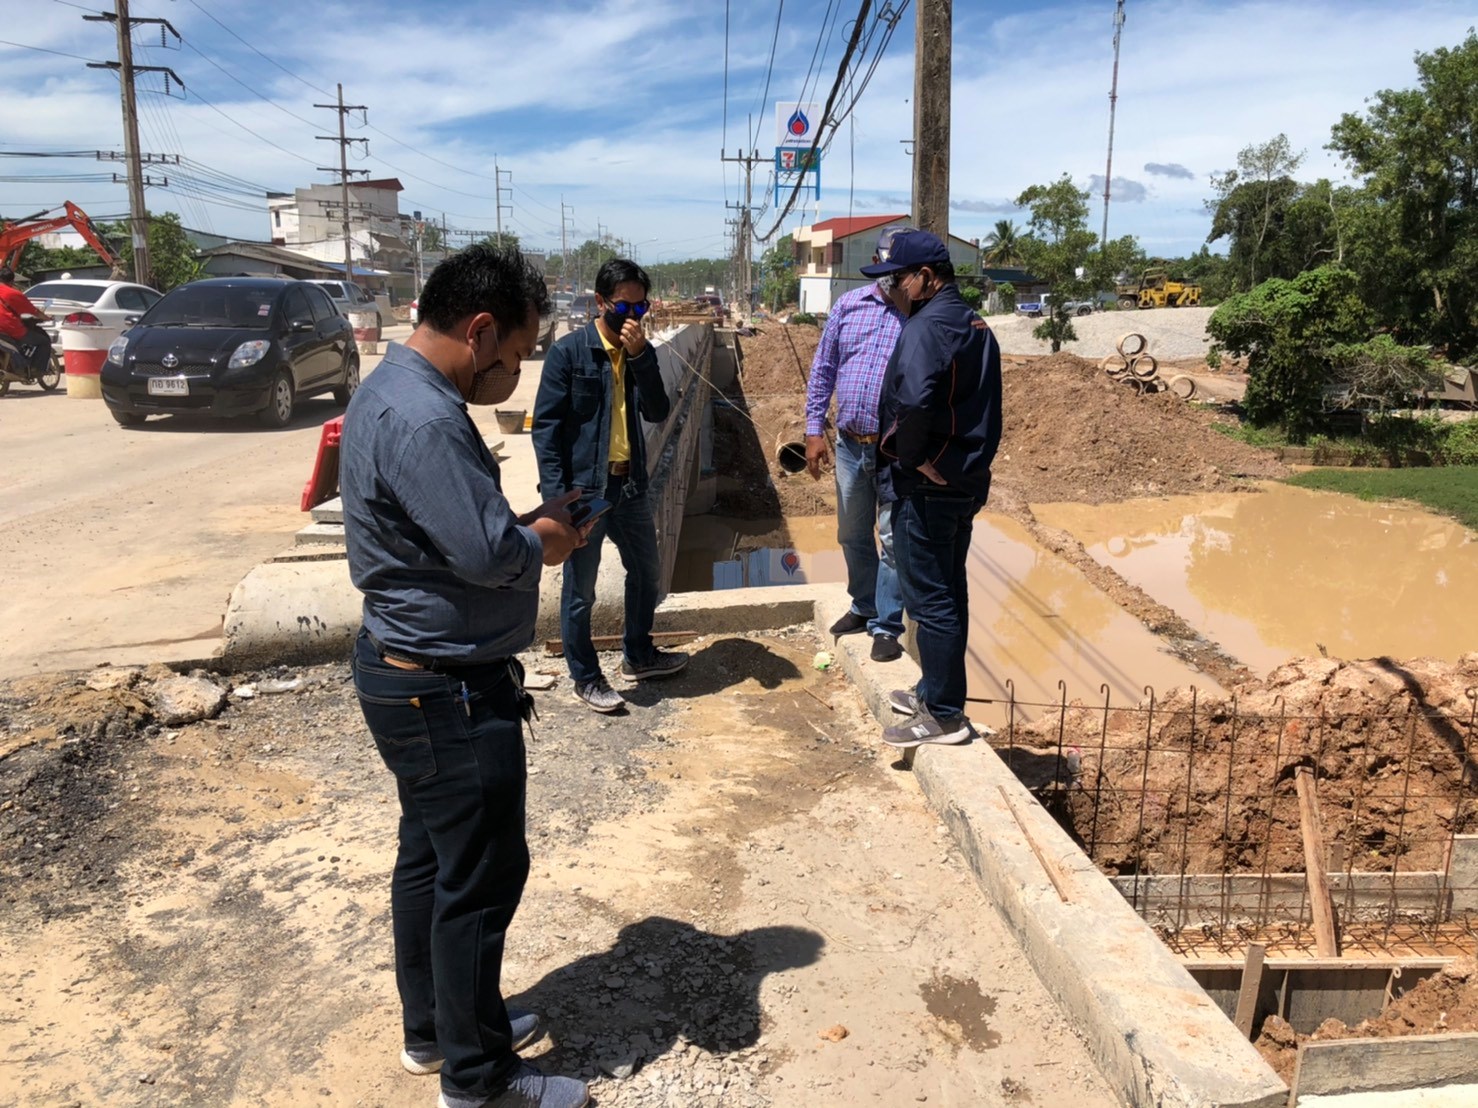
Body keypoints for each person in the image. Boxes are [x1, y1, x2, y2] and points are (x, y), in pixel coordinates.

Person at [340, 242, 591, 1108]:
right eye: (515, 354)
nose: (514, 374)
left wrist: (521, 523)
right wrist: (544, 540)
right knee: (481, 877)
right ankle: (479, 1081)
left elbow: (448, 535)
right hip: (443, 690)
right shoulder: (428, 419)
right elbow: (488, 555)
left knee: (432, 858)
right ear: (480, 331)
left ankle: (436, 1031)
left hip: (408, 672)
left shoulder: (393, 390)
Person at [860, 230, 1003, 749]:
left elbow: (917, 402)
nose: (891, 289)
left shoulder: (926, 327)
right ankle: (935, 691)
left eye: (896, 279)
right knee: (950, 591)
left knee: (930, 600)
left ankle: (943, 714)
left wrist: (913, 458)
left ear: (925, 277)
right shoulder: (975, 323)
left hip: (927, 487)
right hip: (963, 480)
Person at [533, 257, 687, 714]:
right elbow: (546, 431)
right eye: (624, 307)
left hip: (629, 486)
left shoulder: (640, 352)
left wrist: (641, 357)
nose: (633, 317)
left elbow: (657, 411)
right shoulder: (570, 353)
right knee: (581, 590)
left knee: (646, 572)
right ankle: (585, 676)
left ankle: (638, 654)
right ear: (600, 302)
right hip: (584, 493)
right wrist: (556, 501)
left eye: (641, 308)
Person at [803, 225, 911, 663]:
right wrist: (814, 429)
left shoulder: (918, 315)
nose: (893, 276)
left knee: (893, 538)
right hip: (849, 445)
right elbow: (823, 369)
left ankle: (886, 625)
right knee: (852, 533)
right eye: (887, 266)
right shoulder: (849, 305)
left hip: (894, 451)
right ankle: (863, 605)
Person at [0, 266, 53, 377]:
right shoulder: (14, 294)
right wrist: (47, 318)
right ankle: (37, 370)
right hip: (9, 328)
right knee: (43, 341)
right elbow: (35, 312)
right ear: (12, 281)